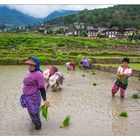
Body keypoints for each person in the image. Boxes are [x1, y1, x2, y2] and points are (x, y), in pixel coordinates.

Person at [20, 56, 49, 130]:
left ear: (36, 65)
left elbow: (42, 88)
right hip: (27, 97)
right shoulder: (29, 72)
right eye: (29, 64)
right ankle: (34, 131)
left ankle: (38, 131)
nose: (30, 66)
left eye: (32, 65)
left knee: (35, 115)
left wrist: (45, 100)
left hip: (34, 98)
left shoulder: (39, 74)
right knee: (31, 113)